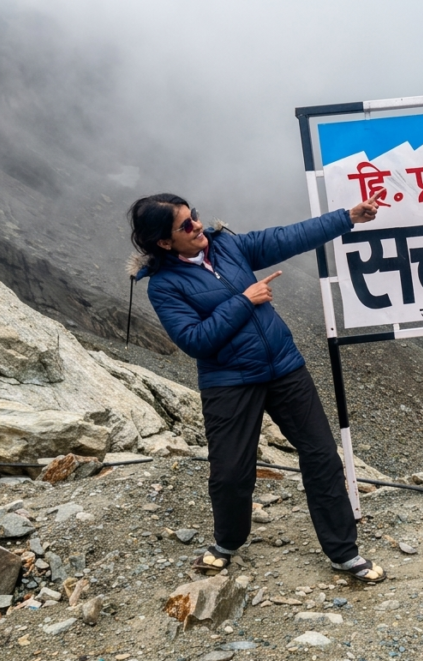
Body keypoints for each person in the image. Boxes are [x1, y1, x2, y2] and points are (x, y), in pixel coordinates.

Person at [128, 190, 388, 583]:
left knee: (321, 456)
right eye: (185, 224)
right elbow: (194, 340)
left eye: (193, 215)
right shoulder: (163, 286)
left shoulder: (227, 245)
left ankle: (344, 553)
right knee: (231, 473)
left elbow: (285, 237)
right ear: (165, 242)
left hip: (284, 367)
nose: (197, 225)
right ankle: (227, 543)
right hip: (229, 382)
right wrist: (245, 301)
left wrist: (347, 217)